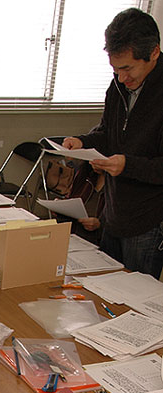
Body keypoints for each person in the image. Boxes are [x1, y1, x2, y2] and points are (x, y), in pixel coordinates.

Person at [63, 8, 163, 278]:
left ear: (154, 52)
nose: (121, 78)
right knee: (104, 287)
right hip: (114, 212)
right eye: (115, 69)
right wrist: (82, 142)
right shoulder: (119, 84)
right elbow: (109, 133)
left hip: (148, 221)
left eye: (127, 68)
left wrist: (127, 166)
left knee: (137, 295)